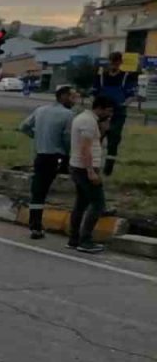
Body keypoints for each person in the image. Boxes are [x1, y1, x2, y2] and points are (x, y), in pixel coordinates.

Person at [18, 86, 77, 239]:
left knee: (38, 191)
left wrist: (37, 138)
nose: (75, 100)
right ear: (63, 97)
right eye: (72, 97)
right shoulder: (68, 114)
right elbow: (67, 138)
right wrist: (68, 155)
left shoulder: (40, 110)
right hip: (57, 156)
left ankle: (35, 224)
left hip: (40, 155)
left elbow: (24, 127)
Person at [67, 96, 114, 254]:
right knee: (98, 204)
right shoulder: (88, 121)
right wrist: (91, 171)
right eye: (108, 111)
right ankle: (85, 240)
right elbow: (85, 148)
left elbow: (94, 142)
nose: (109, 114)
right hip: (84, 168)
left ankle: (74, 239)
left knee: (81, 204)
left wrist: (104, 129)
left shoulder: (86, 119)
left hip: (78, 166)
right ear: (100, 108)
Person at [93, 52, 141, 176]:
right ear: (109, 62)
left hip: (118, 114)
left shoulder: (126, 77)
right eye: (111, 61)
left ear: (120, 62)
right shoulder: (101, 77)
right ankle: (93, 166)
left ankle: (108, 170)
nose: (113, 64)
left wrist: (123, 105)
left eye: (116, 61)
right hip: (101, 114)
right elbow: (94, 94)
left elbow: (131, 96)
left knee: (113, 140)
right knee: (96, 139)